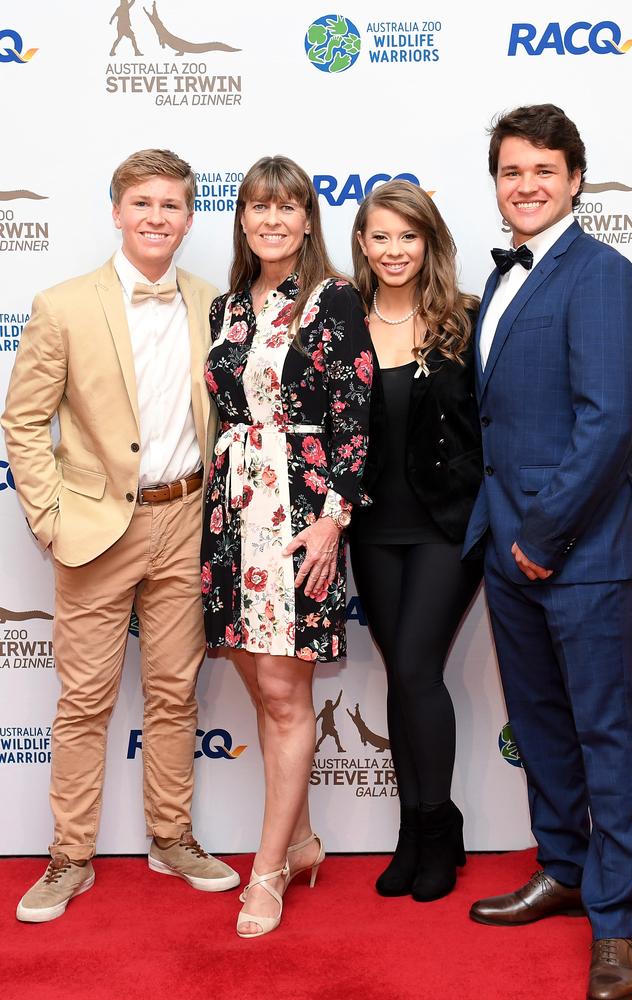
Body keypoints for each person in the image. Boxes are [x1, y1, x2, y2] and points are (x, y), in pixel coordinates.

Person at [2, 149, 239, 924]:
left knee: (175, 693)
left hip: (187, 520)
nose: (156, 217)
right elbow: (22, 419)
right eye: (142, 202)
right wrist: (49, 515)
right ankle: (70, 855)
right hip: (97, 528)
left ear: (189, 217)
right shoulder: (64, 304)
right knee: (85, 700)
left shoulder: (214, 303)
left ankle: (171, 838)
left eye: (171, 204)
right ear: (116, 211)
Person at [463, 105, 632, 1000]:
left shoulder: (603, 275)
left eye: (544, 169)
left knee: (606, 731)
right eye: (511, 171)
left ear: (576, 178)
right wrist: (508, 540)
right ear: (495, 182)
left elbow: (608, 425)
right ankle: (564, 869)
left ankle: (617, 922)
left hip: (582, 551)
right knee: (539, 727)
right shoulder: (500, 280)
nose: (526, 185)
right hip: (509, 548)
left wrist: (542, 537)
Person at [201, 155, 373, 937]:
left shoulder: (334, 299)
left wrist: (334, 518)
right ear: (242, 219)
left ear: (309, 218)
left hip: (300, 512)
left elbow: (354, 414)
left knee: (284, 690)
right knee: (255, 676)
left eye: (287, 207)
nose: (272, 220)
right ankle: (302, 841)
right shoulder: (228, 307)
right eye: (257, 207)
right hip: (233, 512)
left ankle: (266, 870)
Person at [349, 180, 483, 902]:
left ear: (428, 242)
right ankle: (415, 827)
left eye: (409, 236)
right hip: (371, 529)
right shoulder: (343, 325)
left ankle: (435, 828)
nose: (395, 250)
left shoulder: (465, 321)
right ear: (363, 246)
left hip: (447, 528)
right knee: (402, 675)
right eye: (382, 237)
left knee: (419, 669)